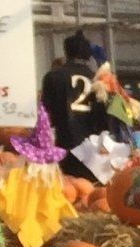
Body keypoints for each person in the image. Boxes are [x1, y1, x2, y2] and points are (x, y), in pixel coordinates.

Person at [40, 29, 112, 179]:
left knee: (67, 186)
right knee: (88, 187)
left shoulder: (53, 76)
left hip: (64, 141)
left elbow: (45, 115)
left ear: (66, 51)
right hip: (92, 147)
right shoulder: (99, 80)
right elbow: (105, 118)